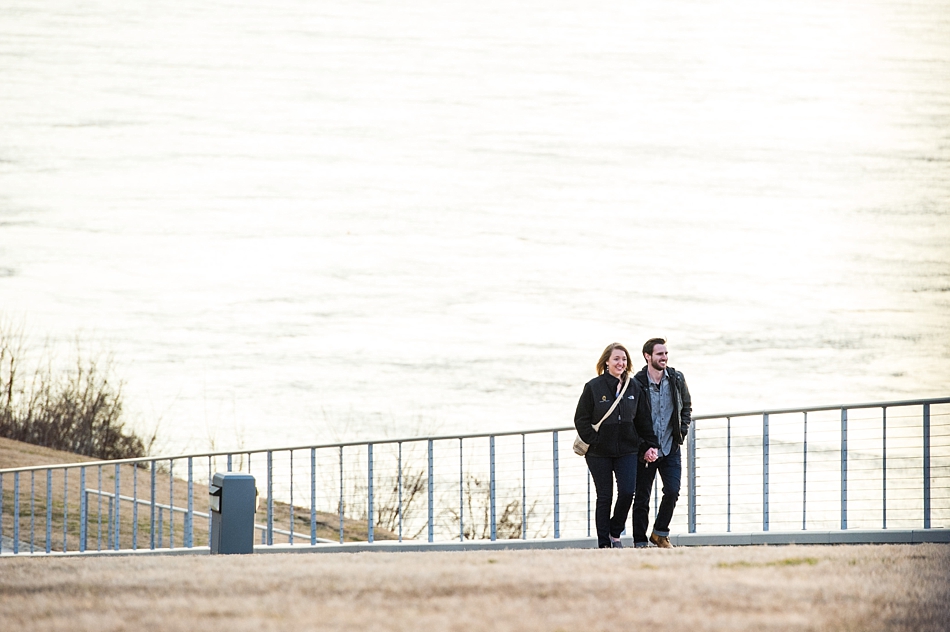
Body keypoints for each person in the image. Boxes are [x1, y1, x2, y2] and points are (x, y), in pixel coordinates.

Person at [574, 342, 659, 549]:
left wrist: (650, 445)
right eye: (616, 359)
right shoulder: (593, 387)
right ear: (606, 362)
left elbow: (643, 420)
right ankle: (604, 544)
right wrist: (595, 440)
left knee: (628, 492)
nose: (621, 363)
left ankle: (614, 530)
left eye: (624, 359)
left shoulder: (634, 387)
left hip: (627, 451)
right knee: (604, 497)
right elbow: (581, 419)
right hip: (598, 453)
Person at [632, 338, 692, 549]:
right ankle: (639, 541)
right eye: (659, 354)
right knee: (641, 498)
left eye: (665, 353)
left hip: (670, 448)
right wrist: (644, 447)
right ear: (647, 356)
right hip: (645, 451)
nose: (664, 357)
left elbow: (686, 407)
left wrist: (681, 433)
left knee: (673, 491)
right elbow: (633, 418)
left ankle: (660, 533)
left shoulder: (676, 378)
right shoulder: (637, 382)